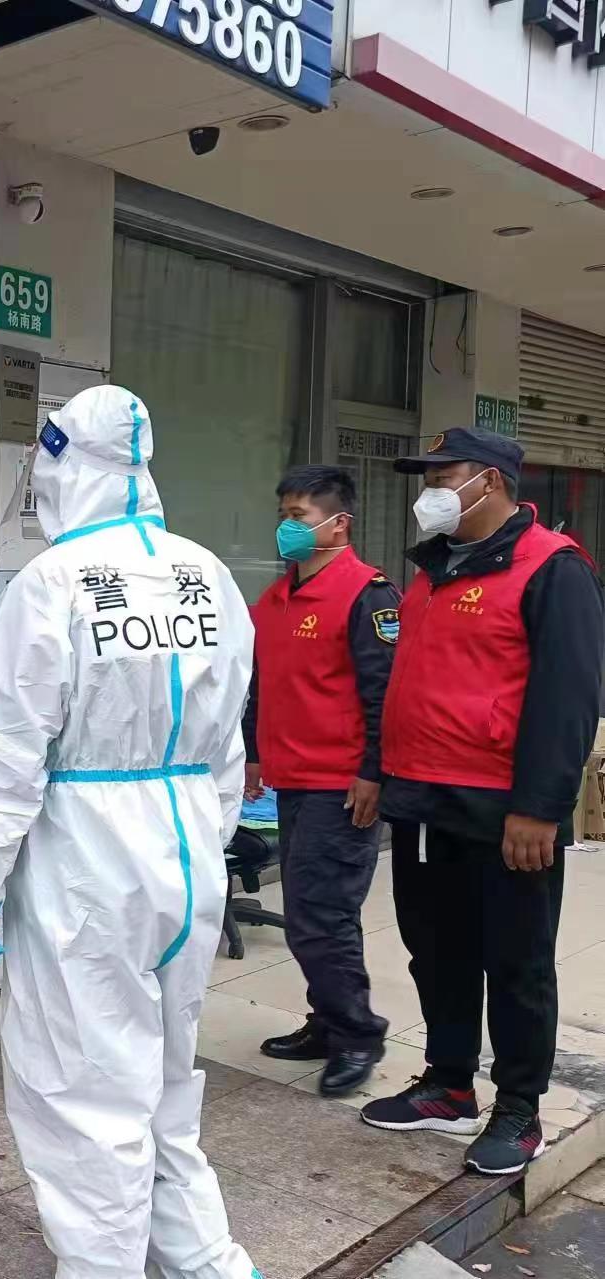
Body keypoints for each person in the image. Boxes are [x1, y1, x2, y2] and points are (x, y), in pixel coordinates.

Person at [0, 385, 261, 1279]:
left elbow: (6, 756)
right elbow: (228, 740)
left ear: (62, 467)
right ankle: (208, 1262)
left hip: (84, 861)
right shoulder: (209, 574)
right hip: (187, 853)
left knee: (84, 1097)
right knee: (166, 1082)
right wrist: (205, 846)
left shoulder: (51, 584)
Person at [360, 429, 603, 1176]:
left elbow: (569, 698)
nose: (429, 490)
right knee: (437, 950)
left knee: (516, 961)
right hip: (423, 799)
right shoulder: (433, 570)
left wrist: (541, 806)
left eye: (444, 476)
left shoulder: (552, 568)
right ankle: (448, 1081)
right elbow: (407, 684)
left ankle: (519, 1107)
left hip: (504, 810)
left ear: (490, 481)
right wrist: (379, 770)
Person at [243, 466, 400, 1096]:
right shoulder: (278, 598)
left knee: (320, 914)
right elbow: (261, 684)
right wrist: (254, 754)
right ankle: (330, 1021)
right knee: (316, 910)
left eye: (299, 516)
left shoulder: (367, 595)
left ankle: (358, 1034)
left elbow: (385, 695)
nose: (287, 527)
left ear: (339, 524)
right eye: (283, 514)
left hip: (342, 784)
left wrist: (373, 772)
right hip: (292, 778)